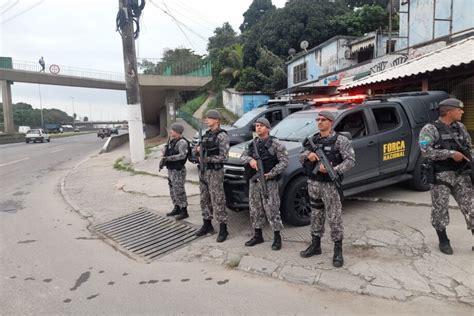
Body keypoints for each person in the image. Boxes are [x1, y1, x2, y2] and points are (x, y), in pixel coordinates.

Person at [299, 111, 355, 267]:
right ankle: (315, 245)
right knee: (316, 214)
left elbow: (350, 161)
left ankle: (338, 250)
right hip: (314, 183)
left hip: (330, 185)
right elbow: (300, 155)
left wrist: (334, 169)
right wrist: (308, 155)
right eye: (318, 119)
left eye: (323, 120)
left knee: (334, 217)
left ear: (331, 122)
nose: (320, 122)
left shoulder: (340, 140)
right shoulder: (313, 140)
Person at [419, 98, 473, 255]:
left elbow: (468, 147)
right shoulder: (429, 129)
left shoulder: (460, 127)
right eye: (459, 109)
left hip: (461, 174)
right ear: (449, 112)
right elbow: (425, 151)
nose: (462, 112)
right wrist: (450, 154)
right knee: (440, 210)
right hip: (440, 176)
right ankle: (443, 241)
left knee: (471, 207)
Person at [240, 117, 289, 250]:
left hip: (269, 181)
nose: (258, 127)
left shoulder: (276, 144)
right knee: (255, 208)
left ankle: (277, 237)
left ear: (268, 128)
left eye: (261, 125)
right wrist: (250, 160)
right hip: (254, 181)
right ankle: (258, 235)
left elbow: (284, 161)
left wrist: (271, 174)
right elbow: (242, 156)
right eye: (256, 125)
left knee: (272, 209)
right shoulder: (251, 143)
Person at [194, 110, 230, 242]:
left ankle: (223, 228)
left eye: (210, 118)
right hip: (203, 171)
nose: (207, 120)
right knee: (204, 198)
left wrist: (208, 159)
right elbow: (196, 149)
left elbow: (224, 157)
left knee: (218, 199)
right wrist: (197, 150)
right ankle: (207, 224)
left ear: (217, 120)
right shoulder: (206, 134)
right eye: (207, 118)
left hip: (215, 172)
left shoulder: (222, 136)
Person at [163, 123, 190, 220]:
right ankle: (177, 207)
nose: (171, 131)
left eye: (173, 130)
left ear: (177, 132)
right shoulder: (172, 141)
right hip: (171, 169)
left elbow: (182, 155)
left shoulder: (182, 142)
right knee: (172, 189)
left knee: (179, 190)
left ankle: (184, 210)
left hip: (178, 170)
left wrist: (169, 158)